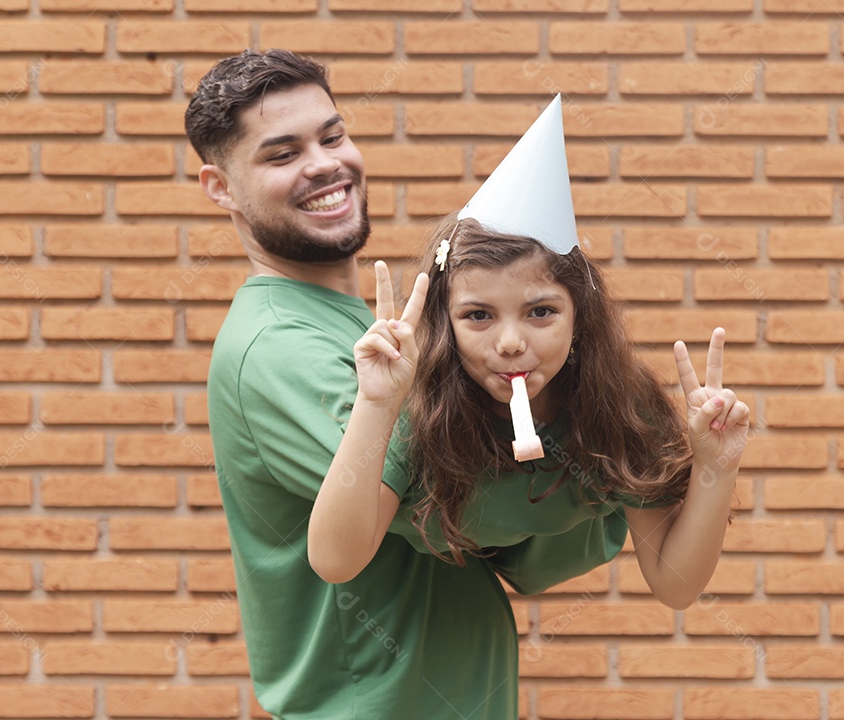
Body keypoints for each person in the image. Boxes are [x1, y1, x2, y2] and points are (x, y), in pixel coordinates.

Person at [189, 50, 642, 720]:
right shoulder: (277, 346)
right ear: (221, 188)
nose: (323, 164)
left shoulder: (383, 330)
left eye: (332, 136)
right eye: (282, 154)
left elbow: (533, 559)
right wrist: (628, 465)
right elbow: (458, 505)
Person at [308, 98, 749, 611]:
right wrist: (378, 403)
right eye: (478, 316)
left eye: (540, 313)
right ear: (444, 325)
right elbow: (334, 561)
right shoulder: (419, 408)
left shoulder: (623, 404)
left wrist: (716, 467)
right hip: (440, 566)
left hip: (568, 544)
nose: (511, 342)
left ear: (580, 316)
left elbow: (676, 586)